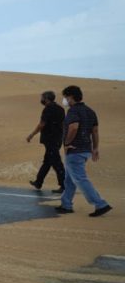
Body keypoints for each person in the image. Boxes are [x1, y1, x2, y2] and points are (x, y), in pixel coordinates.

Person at [55, 85, 112, 217]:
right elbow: (95, 131)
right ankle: (66, 204)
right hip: (85, 149)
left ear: (70, 97)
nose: (64, 100)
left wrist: (67, 143)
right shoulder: (90, 111)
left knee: (80, 179)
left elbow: (74, 127)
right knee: (69, 179)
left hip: (74, 151)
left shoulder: (73, 111)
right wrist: (95, 148)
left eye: (65, 97)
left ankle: (100, 204)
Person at [26, 91, 65, 193]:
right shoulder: (61, 109)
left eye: (42, 98)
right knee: (47, 161)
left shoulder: (47, 109)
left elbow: (42, 124)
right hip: (57, 139)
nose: (41, 100)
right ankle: (38, 182)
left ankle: (64, 185)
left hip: (50, 139)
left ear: (46, 99)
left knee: (57, 163)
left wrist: (31, 135)